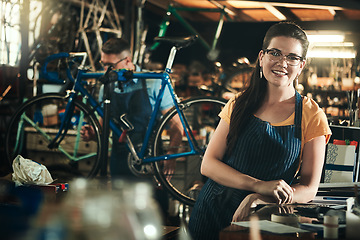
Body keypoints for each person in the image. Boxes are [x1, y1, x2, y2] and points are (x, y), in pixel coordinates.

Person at [188, 21, 332, 240]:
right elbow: (209, 164)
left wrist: (260, 197)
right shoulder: (239, 103)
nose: (282, 62)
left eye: (292, 57)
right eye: (275, 53)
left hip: (264, 218)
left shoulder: (312, 114)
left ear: (301, 66)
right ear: (262, 57)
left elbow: (309, 188)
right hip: (211, 209)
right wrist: (258, 185)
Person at [81, 38, 182, 208]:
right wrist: (93, 132)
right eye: (103, 64)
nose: (105, 70)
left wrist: (171, 156)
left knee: (156, 222)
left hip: (150, 164)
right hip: (119, 163)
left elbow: (177, 125)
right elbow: (101, 124)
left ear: (127, 61)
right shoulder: (107, 86)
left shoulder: (152, 82)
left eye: (110, 66)